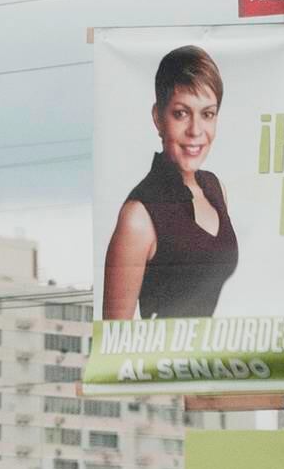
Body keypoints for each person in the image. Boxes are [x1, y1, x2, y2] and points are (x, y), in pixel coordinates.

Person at [101, 45, 239, 319]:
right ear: (158, 118)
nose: (196, 131)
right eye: (181, 113)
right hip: (162, 349)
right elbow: (113, 337)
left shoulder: (215, 189)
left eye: (207, 114)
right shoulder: (139, 216)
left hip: (216, 347)